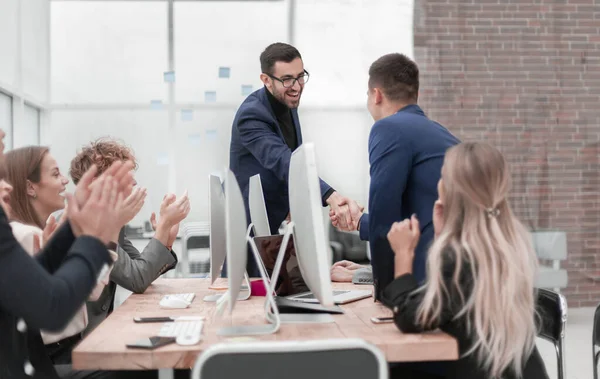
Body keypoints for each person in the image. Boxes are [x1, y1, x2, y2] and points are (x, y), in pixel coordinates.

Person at [383, 142, 549, 379]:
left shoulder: (459, 258)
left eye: (443, 176)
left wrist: (403, 254)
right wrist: (444, 234)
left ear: (452, 191)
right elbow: (445, 302)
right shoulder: (510, 243)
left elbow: (410, 318)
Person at [0, 123, 135, 378]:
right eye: (55, 174)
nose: (64, 181)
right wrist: (98, 236)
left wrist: (75, 227)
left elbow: (35, 282)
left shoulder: (29, 231)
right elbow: (52, 307)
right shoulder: (19, 233)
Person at [47, 138, 190, 376]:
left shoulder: (109, 221)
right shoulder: (82, 224)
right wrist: (163, 227)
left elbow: (138, 267)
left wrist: (166, 237)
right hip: (73, 350)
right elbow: (137, 278)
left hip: (97, 338)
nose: (133, 183)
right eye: (125, 176)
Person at [329, 53, 460, 300]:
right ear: (415, 95)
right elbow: (414, 219)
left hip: (430, 289)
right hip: (451, 279)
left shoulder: (389, 128)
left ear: (376, 95)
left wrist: (385, 294)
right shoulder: (439, 134)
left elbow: (385, 215)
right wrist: (359, 226)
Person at [229, 42, 361, 277]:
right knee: (249, 299)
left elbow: (292, 156)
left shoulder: (286, 103)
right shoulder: (252, 115)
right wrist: (331, 196)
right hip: (249, 231)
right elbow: (284, 161)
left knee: (287, 293)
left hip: (275, 226)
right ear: (266, 79)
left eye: (301, 77)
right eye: (287, 79)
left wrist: (293, 204)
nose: (297, 86)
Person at [4, 146, 118, 347]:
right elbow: (93, 291)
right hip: (58, 355)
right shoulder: (28, 236)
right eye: (56, 174)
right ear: (31, 187)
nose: (65, 180)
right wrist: (108, 232)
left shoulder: (38, 232)